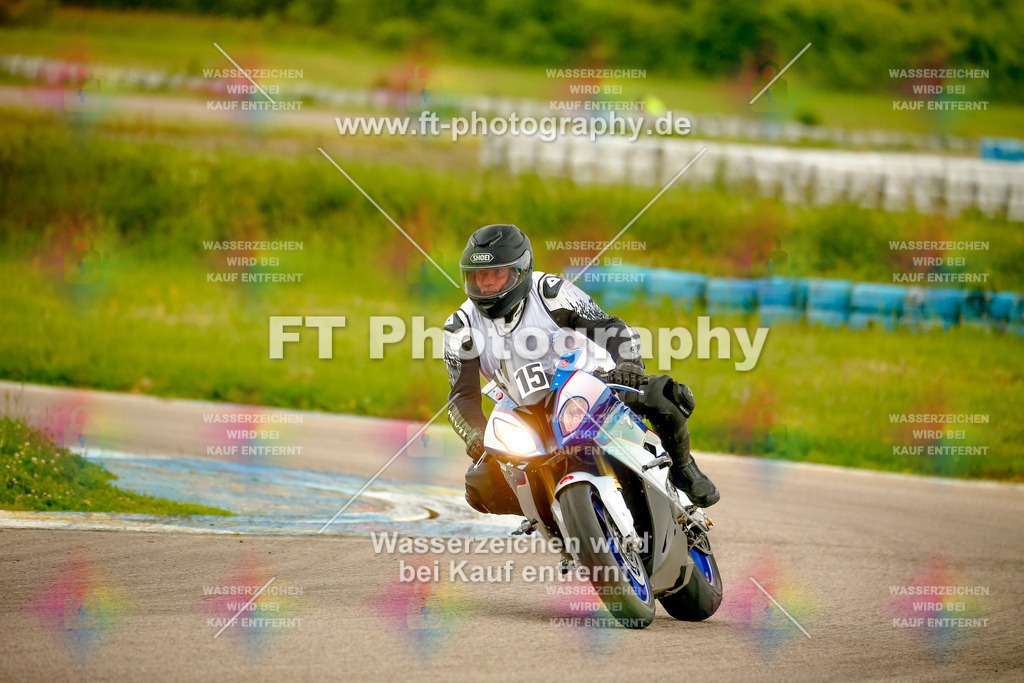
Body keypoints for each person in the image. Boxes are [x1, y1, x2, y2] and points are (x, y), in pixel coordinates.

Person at [442, 224, 720, 517]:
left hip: (593, 387)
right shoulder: (460, 327)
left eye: (496, 275)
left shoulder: (551, 293)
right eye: (478, 276)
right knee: (480, 486)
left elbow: (611, 328)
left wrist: (628, 366)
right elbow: (461, 397)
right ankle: (558, 527)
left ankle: (683, 468)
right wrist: (475, 435)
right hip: (530, 418)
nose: (486, 286)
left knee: (665, 395)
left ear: (520, 271)